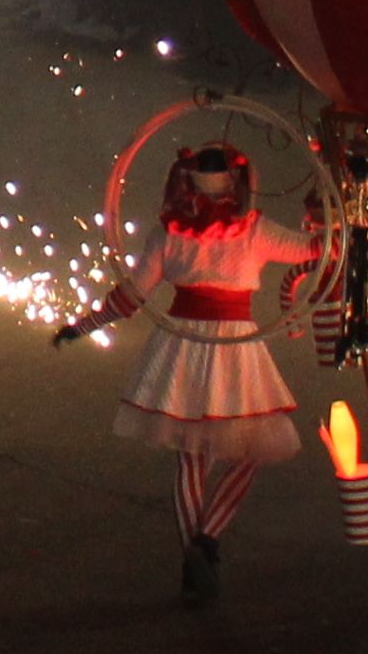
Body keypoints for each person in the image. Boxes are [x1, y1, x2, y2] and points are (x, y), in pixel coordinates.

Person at [112, 147, 315, 601]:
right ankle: (204, 542)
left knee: (195, 455)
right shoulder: (250, 229)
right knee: (238, 452)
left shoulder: (173, 231)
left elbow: (133, 293)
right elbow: (315, 249)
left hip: (189, 344)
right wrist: (348, 228)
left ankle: (197, 549)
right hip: (226, 345)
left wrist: (85, 323)